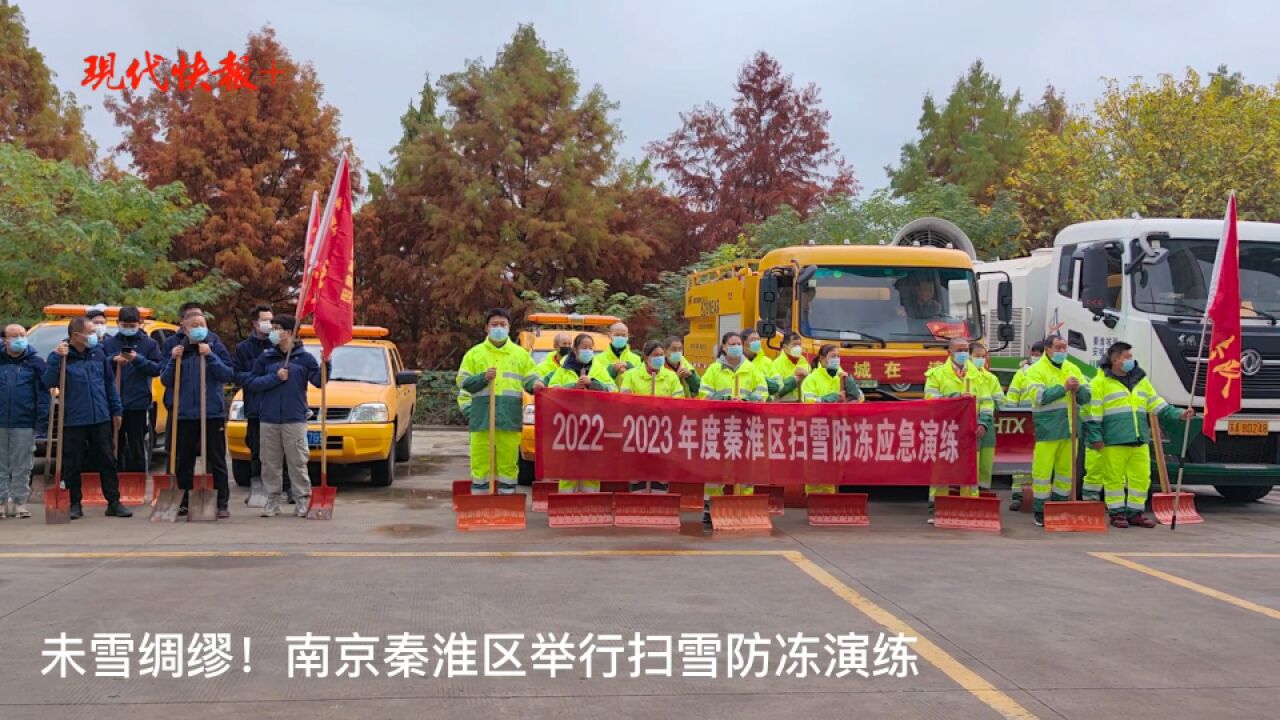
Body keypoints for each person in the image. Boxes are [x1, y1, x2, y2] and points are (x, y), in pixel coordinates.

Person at [1086, 342, 1191, 529]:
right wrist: (1095, 437)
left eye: (1130, 356)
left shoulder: (1140, 380)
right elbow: (1092, 413)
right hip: (1114, 440)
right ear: (1115, 359)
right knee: (1114, 478)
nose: (1130, 360)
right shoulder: (1099, 383)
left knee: (1141, 478)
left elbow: (1156, 403)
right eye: (1127, 357)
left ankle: (1136, 513)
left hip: (1139, 439)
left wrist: (1178, 414)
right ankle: (1117, 513)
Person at [43, 317, 131, 519]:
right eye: (90, 331)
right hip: (74, 418)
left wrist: (116, 410)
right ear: (76, 335)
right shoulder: (62, 356)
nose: (96, 334)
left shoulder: (97, 353)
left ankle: (114, 502)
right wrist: (57, 359)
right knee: (73, 462)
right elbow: (48, 381)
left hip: (100, 416)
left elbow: (109, 383)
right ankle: (74, 503)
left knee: (107, 459)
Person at [456, 309, 544, 496]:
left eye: (502, 325)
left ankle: (507, 501)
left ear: (509, 328)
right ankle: (479, 500)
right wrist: (482, 378)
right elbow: (462, 382)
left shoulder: (520, 355)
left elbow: (531, 377)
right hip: (482, 418)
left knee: (508, 461)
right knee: (480, 462)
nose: (498, 328)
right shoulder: (474, 354)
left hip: (509, 417)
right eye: (494, 324)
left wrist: (535, 384)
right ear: (486, 328)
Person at [247, 315, 324, 517]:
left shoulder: (304, 358)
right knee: (270, 464)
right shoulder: (266, 358)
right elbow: (252, 383)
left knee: (297, 463)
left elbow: (319, 381)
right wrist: (275, 378)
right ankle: (272, 502)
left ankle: (302, 500)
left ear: (289, 332)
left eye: (277, 328)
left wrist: (326, 364)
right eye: (272, 327)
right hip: (269, 419)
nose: (272, 331)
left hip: (294, 419)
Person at [160, 313, 235, 518]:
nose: (199, 328)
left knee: (217, 459)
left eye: (202, 324)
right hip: (185, 413)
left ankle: (221, 503)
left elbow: (228, 374)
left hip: (211, 413)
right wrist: (173, 360)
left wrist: (210, 356)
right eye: (194, 325)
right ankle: (184, 500)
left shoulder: (215, 346)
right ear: (185, 328)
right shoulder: (178, 350)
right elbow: (166, 380)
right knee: (184, 460)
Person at [698, 332, 768, 524]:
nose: (736, 346)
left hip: (745, 427)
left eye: (738, 343)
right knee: (715, 469)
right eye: (732, 343)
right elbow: (704, 395)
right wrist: (724, 401)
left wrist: (747, 401)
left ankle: (744, 505)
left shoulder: (751, 369)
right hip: (719, 427)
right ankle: (710, 507)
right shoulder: (713, 370)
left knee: (745, 469)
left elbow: (762, 393)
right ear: (724, 347)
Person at [1024, 335, 1091, 527]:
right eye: (1058, 348)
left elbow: (1086, 398)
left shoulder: (1073, 368)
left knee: (1065, 473)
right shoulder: (1036, 370)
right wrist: (1063, 388)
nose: (1062, 351)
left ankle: (1059, 506)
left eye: (1064, 348)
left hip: (1071, 430)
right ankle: (1040, 509)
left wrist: (1079, 390)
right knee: (1043, 472)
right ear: (1047, 349)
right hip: (1048, 428)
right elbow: (1039, 397)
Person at [923, 337, 991, 523]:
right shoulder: (936, 374)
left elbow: (986, 401)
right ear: (949, 352)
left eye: (966, 349)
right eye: (959, 350)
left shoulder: (977, 375)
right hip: (944, 429)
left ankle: (968, 507)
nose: (963, 353)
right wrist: (957, 397)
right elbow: (930, 399)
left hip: (970, 430)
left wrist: (983, 422)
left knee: (970, 471)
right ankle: (938, 509)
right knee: (941, 472)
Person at [234, 304, 292, 502]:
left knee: (286, 451)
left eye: (272, 320)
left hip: (280, 408)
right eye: (265, 320)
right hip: (256, 409)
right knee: (258, 452)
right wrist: (267, 379)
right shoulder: (243, 349)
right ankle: (259, 490)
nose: (270, 325)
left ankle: (287, 489)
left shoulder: (281, 346)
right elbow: (240, 376)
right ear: (255, 323)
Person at [545, 334, 615, 493]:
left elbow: (612, 390)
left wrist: (593, 384)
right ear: (575, 350)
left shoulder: (599, 369)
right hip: (569, 425)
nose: (588, 351)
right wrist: (573, 386)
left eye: (591, 348)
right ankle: (565, 501)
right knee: (568, 465)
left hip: (593, 425)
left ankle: (590, 500)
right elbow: (552, 391)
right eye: (584, 347)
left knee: (592, 464)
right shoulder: (563, 370)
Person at [103, 306, 162, 473]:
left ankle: (137, 479)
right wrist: (113, 361)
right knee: (115, 444)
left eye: (132, 325)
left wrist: (137, 360)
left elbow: (157, 368)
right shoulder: (109, 344)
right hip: (113, 403)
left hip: (138, 402)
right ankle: (115, 480)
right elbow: (99, 367)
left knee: (137, 444)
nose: (128, 329)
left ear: (140, 323)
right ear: (117, 323)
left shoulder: (150, 344)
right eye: (125, 325)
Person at [619, 340, 684, 492]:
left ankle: (659, 499)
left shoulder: (671, 377)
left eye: (662, 355)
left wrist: (663, 408)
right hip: (637, 429)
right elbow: (624, 401)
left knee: (660, 468)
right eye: (656, 355)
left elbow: (679, 402)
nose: (659, 358)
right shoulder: (631, 375)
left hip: (663, 430)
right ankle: (638, 498)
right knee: (638, 468)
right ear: (646, 357)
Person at [801, 344, 863, 494]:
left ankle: (830, 501)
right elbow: (809, 402)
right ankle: (814, 501)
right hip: (816, 430)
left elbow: (860, 398)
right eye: (832, 356)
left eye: (838, 356)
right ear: (822, 359)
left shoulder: (843, 377)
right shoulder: (812, 379)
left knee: (834, 468)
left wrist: (851, 387)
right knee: (815, 468)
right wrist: (833, 398)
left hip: (837, 430)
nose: (836, 359)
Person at [0, 324, 47, 519]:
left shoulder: (36, 362)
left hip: (25, 421)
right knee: (1, 464)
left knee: (22, 464)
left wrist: (41, 421)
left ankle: (19, 502)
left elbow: (43, 395)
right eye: (14, 336)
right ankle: (1, 502)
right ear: (5, 340)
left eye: (22, 335)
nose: (19, 338)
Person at [1004, 340, 1044, 511]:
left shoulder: (1050, 373)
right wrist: (1012, 417)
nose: (1035, 357)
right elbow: (1012, 396)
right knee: (1020, 461)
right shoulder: (1022, 374)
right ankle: (1018, 496)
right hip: (1023, 422)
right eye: (1033, 353)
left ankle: (1038, 497)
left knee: (1040, 462)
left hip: (1043, 422)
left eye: (1039, 354)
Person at [968, 341, 1003, 494]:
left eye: (983, 356)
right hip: (970, 425)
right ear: (969, 356)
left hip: (987, 425)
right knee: (971, 463)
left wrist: (999, 404)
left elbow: (1000, 400)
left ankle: (984, 493)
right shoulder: (965, 377)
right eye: (977, 356)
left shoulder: (991, 378)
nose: (981, 359)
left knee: (986, 462)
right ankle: (971, 495)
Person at [770, 332, 810, 402]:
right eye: (794, 345)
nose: (798, 347)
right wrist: (794, 380)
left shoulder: (804, 361)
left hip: (804, 405)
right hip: (785, 406)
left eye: (799, 345)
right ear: (785, 347)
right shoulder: (776, 365)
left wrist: (808, 375)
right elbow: (775, 393)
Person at [741, 328, 780, 397]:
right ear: (743, 342)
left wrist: (765, 381)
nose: (757, 342)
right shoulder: (737, 362)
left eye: (758, 339)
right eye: (753, 340)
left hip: (763, 404)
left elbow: (778, 385)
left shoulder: (767, 361)